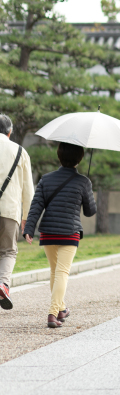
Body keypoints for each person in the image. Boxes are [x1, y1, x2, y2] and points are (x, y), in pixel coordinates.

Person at [23, 142, 96, 328]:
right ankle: (52, 313)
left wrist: (29, 229)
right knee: (62, 272)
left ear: (59, 156)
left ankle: (61, 309)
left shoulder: (46, 179)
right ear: (79, 158)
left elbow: (36, 207)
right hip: (69, 233)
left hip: (48, 232)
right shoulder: (83, 181)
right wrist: (89, 189)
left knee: (55, 272)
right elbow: (90, 212)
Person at [0, 114, 35, 311]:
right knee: (8, 251)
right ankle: (3, 284)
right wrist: (26, 219)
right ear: (10, 132)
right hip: (9, 210)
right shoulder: (20, 151)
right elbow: (28, 189)